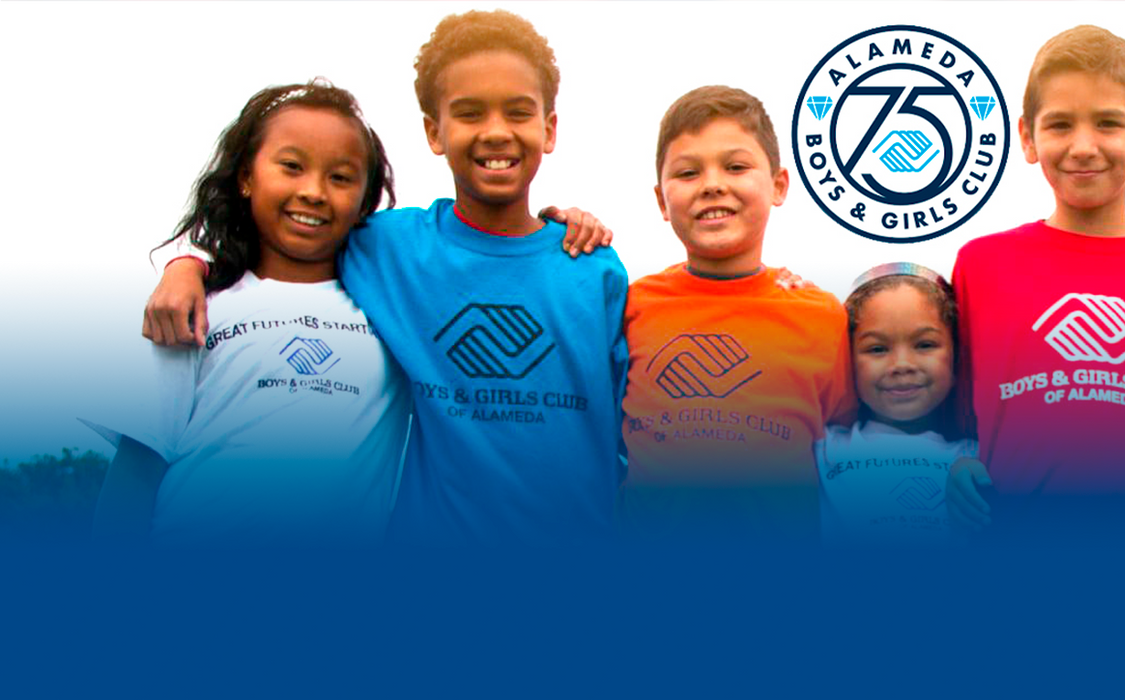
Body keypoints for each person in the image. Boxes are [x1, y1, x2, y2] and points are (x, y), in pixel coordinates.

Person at [139, 10, 629, 545]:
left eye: (518, 112)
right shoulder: (387, 246)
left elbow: (633, 430)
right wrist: (186, 263)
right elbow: (283, 230)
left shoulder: (594, 265)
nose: (495, 132)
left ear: (549, 128)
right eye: (468, 113)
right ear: (433, 132)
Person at [90, 81, 409, 546]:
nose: (314, 192)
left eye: (340, 177)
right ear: (246, 177)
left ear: (365, 199)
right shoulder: (194, 307)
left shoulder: (394, 313)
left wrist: (555, 223)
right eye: (292, 167)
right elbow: (134, 478)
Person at [945, 25, 1125, 544]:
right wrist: (952, 465)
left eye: (1108, 123)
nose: (1084, 147)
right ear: (1027, 137)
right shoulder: (981, 264)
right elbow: (950, 407)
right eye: (1060, 125)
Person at [619, 86, 856, 544]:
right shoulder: (631, 307)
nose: (712, 184)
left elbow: (855, 446)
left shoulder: (824, 317)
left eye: (736, 166)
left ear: (779, 185)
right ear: (660, 202)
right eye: (688, 172)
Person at [816, 263, 979, 547]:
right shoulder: (822, 449)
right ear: (847, 359)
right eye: (877, 349)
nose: (902, 365)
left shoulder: (979, 457)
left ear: (957, 357)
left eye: (925, 345)